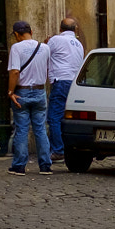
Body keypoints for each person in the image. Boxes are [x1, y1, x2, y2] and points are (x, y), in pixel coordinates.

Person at [8, 20, 52, 173]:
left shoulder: (16, 48)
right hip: (40, 91)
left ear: (16, 34)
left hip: (22, 92)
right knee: (40, 129)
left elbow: (14, 72)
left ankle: (19, 165)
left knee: (21, 129)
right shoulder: (45, 48)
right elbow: (47, 70)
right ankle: (45, 165)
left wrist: (10, 92)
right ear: (31, 32)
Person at [45, 15, 85, 161]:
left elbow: (44, 54)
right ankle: (65, 147)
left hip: (61, 81)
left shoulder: (56, 40)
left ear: (60, 29)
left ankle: (58, 150)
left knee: (54, 118)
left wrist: (46, 43)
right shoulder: (78, 44)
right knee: (65, 117)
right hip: (74, 83)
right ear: (75, 29)